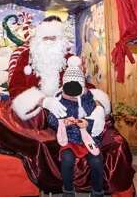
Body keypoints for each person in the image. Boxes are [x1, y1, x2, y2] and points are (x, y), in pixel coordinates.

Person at [7, 15, 111, 138]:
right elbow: (15, 88)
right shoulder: (26, 57)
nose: (49, 42)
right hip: (34, 113)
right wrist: (42, 101)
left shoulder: (70, 60)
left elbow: (82, 87)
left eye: (53, 38)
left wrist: (98, 106)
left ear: (61, 40)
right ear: (38, 39)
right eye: (45, 38)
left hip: (64, 109)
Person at [49, 56, 104, 197]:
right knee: (67, 159)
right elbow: (51, 118)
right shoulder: (59, 99)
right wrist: (63, 121)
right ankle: (68, 190)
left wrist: (87, 122)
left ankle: (97, 191)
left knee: (96, 160)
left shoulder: (88, 97)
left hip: (88, 138)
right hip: (70, 139)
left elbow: (96, 115)